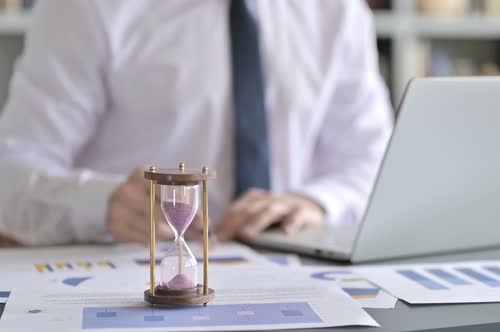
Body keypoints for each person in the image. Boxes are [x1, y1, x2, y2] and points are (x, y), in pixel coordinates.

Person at [0, 0, 392, 246]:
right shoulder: (85, 9)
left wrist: (317, 201)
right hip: (126, 273)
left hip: (294, 273)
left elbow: (379, 167)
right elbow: (10, 177)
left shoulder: (338, 12)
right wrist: (101, 204)